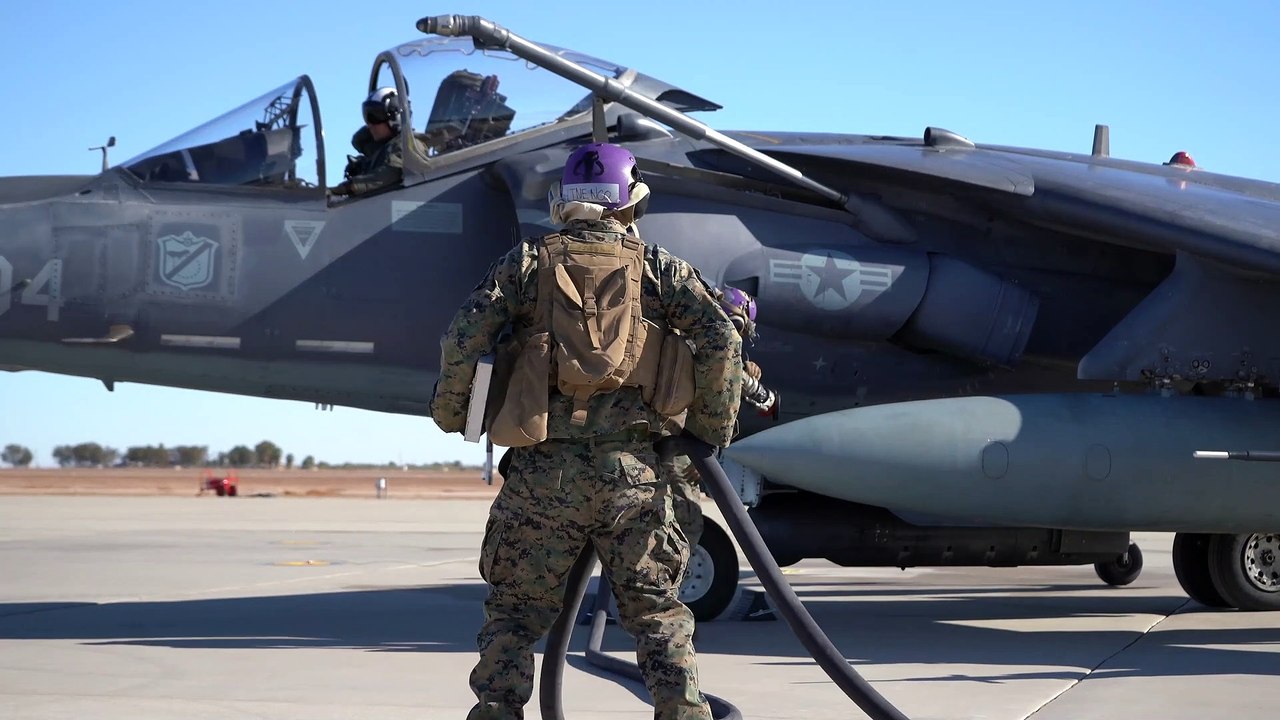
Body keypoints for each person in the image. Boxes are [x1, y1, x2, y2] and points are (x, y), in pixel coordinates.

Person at [429, 141, 743, 720]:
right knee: (655, 614)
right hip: (636, 478)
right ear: (631, 202)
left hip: (542, 475)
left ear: (564, 202)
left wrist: (453, 415)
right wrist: (707, 431)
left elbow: (463, 338)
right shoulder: (660, 268)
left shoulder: (525, 264)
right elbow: (721, 338)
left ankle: (499, 710)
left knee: (515, 614)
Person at [328, 87, 412, 197]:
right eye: (367, 117)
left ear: (395, 118)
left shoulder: (408, 147)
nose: (369, 125)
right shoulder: (382, 150)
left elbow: (389, 173)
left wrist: (347, 187)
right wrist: (361, 166)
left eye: (374, 116)